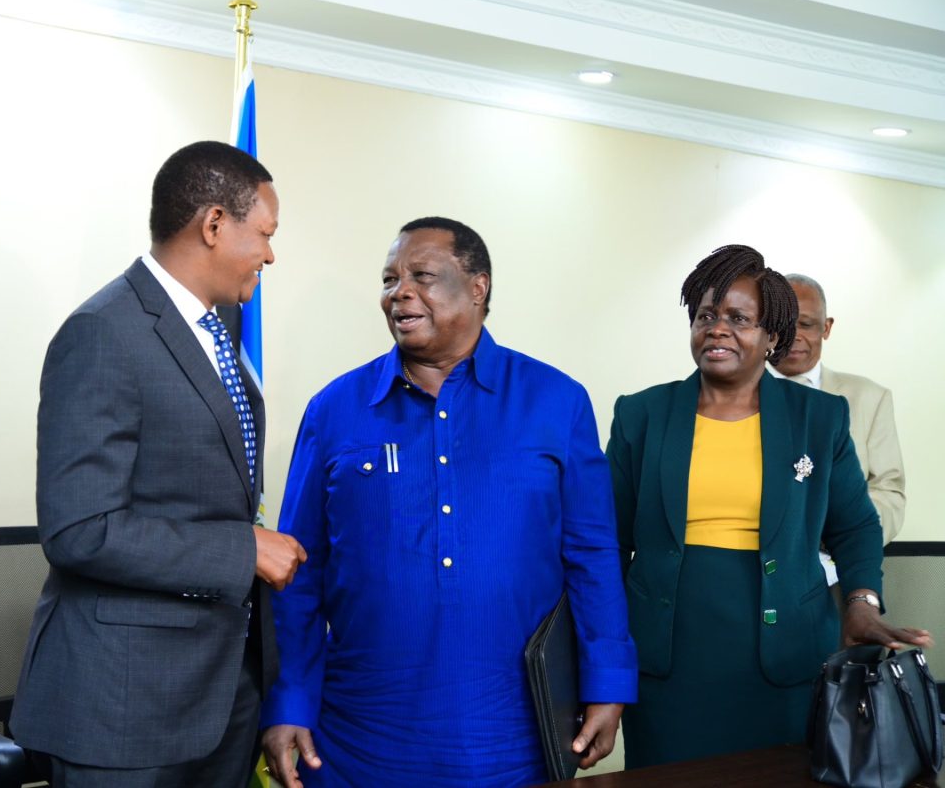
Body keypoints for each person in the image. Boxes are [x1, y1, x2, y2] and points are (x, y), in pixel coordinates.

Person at [259, 217, 637, 787]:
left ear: (478, 287)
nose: (399, 292)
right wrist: (289, 701)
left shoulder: (557, 401)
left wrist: (607, 684)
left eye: (422, 276)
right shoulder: (335, 408)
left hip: (510, 737)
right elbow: (299, 569)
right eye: (389, 279)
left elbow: (592, 555)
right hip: (358, 736)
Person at [10, 140, 307, 787]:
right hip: (124, 707)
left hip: (221, 695)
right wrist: (242, 550)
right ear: (213, 225)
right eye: (264, 233)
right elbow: (79, 529)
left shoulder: (216, 328)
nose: (270, 254)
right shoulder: (103, 332)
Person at [606, 244, 931, 769]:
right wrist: (600, 655)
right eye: (706, 316)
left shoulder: (818, 418)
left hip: (785, 655)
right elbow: (609, 542)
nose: (717, 329)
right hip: (666, 656)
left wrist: (862, 600)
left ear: (771, 337)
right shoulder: (641, 414)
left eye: (738, 318)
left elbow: (854, 527)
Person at [770, 273, 905, 544]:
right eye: (783, 324)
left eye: (806, 324)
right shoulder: (731, 396)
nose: (793, 336)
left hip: (840, 569)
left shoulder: (870, 398)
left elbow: (888, 491)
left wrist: (850, 537)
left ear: (826, 328)